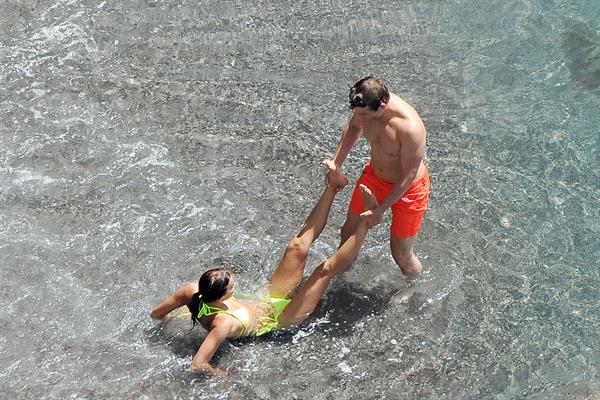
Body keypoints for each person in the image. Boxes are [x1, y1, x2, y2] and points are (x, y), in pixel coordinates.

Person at [150, 163, 378, 378]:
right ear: (222, 296)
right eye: (231, 283)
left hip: (270, 300)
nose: (234, 280)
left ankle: (332, 187)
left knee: (296, 247)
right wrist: (226, 379)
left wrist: (171, 321)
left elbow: (156, 314)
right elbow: (198, 364)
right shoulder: (223, 323)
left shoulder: (191, 290)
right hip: (281, 320)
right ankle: (367, 221)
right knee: (324, 270)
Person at [324, 76, 430, 280]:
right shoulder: (365, 105)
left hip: (409, 189)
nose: (360, 118)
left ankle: (413, 286)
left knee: (400, 253)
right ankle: (336, 276)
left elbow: (408, 175)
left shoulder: (410, 128)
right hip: (374, 177)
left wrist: (380, 210)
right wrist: (336, 163)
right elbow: (354, 128)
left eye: (364, 115)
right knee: (348, 232)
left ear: (382, 106)